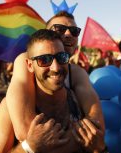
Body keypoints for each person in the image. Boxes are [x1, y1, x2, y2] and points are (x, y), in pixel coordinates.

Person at [0, 29, 106, 153]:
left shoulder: (82, 104)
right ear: (29, 65)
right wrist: (29, 147)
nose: (55, 68)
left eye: (61, 57)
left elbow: (98, 146)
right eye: (44, 60)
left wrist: (101, 149)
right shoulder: (10, 109)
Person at [6, 11, 105, 143]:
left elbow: (97, 127)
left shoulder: (77, 72)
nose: (68, 34)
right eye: (60, 29)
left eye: (74, 31)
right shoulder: (26, 60)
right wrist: (82, 141)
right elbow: (26, 132)